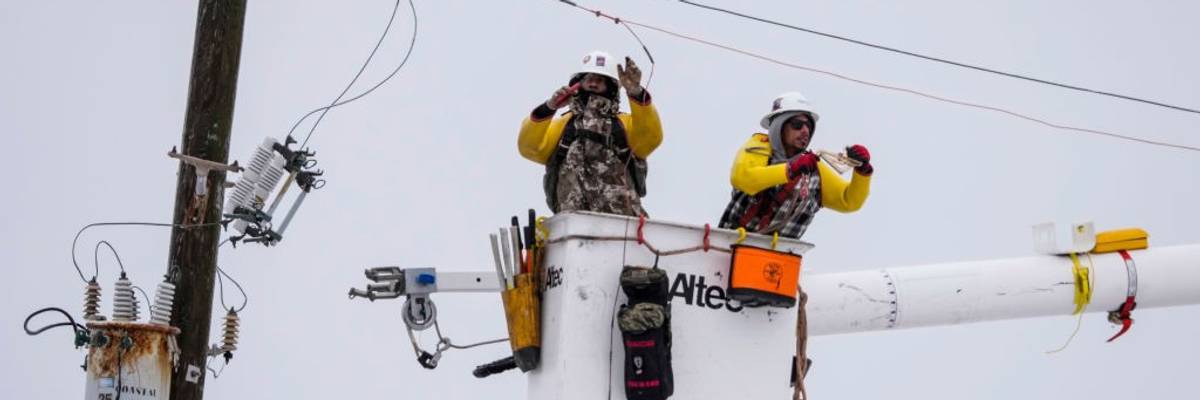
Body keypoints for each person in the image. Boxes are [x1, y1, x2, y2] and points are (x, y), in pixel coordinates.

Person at [716, 91, 874, 400]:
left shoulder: (814, 170)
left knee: (764, 329)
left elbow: (848, 201)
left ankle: (766, 370)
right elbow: (744, 177)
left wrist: (862, 173)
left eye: (808, 127)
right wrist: (789, 170)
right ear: (780, 127)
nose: (805, 131)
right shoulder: (758, 149)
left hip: (775, 265)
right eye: (797, 124)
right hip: (732, 256)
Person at [518, 50, 662, 217]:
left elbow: (651, 138)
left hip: (620, 224)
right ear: (578, 84)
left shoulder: (623, 125)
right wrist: (550, 107)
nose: (593, 84)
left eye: (600, 80)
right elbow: (529, 147)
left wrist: (636, 92)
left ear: (611, 87)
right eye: (589, 79)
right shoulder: (564, 127)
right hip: (574, 224)